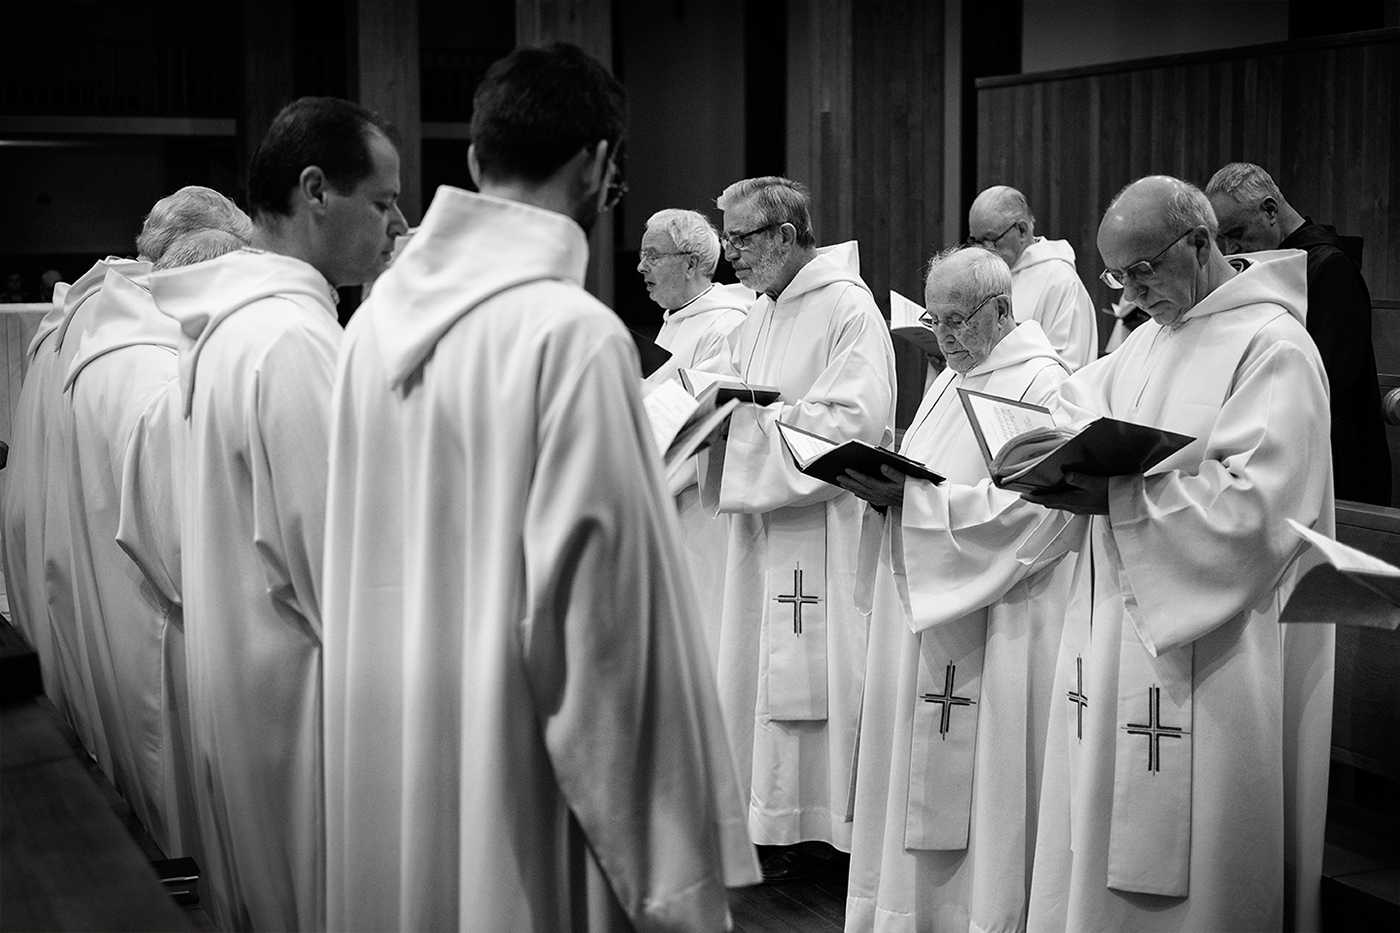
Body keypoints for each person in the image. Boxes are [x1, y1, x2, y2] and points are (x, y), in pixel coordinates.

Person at [321, 43, 758, 933]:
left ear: (477, 162)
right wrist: (675, 875)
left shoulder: (371, 326)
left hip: (393, 749)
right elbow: (605, 633)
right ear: (601, 166)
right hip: (519, 780)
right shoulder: (570, 335)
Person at [1025, 176, 1334, 933]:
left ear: (1201, 244)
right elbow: (1071, 406)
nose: (1131, 293)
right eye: (1116, 277)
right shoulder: (1150, 338)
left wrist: (1117, 501)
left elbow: (1256, 511)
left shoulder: (1274, 346)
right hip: (1116, 635)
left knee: (1202, 865)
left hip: (1217, 650)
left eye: (1142, 270)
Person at [149, 96, 407, 933]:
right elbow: (353, 578)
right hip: (307, 721)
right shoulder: (294, 342)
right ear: (316, 191)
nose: (398, 223)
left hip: (245, 694)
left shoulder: (228, 328)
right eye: (384, 199)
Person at [838, 246, 1075, 933]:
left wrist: (917, 506)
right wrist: (888, 485)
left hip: (1000, 621)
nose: (942, 338)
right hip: (928, 600)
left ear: (1002, 309)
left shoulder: (1044, 385)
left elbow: (1042, 510)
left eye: (956, 320)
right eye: (933, 321)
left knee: (984, 789)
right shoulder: (955, 374)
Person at [692, 175, 897, 882]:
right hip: (762, 533)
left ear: (785, 235)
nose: (731, 256)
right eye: (727, 240)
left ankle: (825, 832)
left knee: (823, 674)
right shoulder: (757, 312)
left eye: (742, 240)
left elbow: (855, 421)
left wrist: (749, 431)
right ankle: (768, 820)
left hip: (825, 528)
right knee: (757, 669)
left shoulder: (849, 309)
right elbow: (721, 397)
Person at [60, 189, 250, 867]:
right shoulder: (152, 365)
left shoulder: (101, 332)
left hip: (116, 601)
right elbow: (181, 547)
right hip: (164, 629)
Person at [1206, 161, 1390, 506]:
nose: (1230, 250)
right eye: (1222, 239)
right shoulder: (1266, 266)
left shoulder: (1328, 266)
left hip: (1332, 456)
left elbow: (1327, 383)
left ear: (1270, 210)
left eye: (1237, 233)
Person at [637, 207, 751, 667]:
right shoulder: (674, 319)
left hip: (694, 508)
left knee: (698, 638)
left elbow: (705, 420)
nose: (641, 267)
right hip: (660, 501)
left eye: (652, 255)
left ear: (690, 263)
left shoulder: (725, 324)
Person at [968, 185, 1096, 369]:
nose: (983, 250)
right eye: (976, 241)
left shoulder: (1060, 282)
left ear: (1021, 230)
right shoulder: (987, 276)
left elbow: (1065, 366)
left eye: (990, 239)